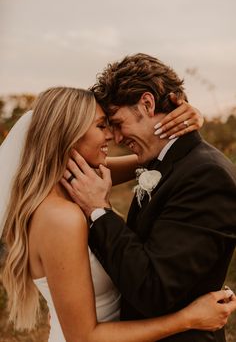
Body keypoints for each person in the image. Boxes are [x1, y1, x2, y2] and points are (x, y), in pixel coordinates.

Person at [0, 87, 235, 342]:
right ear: (70, 135)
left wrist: (175, 132)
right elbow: (84, 337)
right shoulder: (61, 218)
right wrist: (188, 318)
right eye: (102, 126)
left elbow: (157, 158)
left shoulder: (72, 184)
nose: (112, 136)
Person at [61, 54, 236, 342]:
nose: (115, 138)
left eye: (117, 122)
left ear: (147, 103)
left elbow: (154, 290)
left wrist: (100, 211)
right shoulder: (164, 161)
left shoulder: (206, 176)